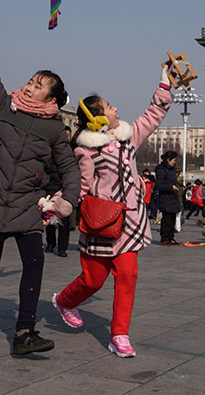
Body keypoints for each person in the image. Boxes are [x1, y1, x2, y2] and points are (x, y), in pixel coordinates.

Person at [0, 7, 80, 356]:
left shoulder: (55, 129)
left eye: (39, 86)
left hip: (28, 205)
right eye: (31, 80)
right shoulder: (3, 105)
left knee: (35, 261)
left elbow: (70, 170)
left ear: (53, 99)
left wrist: (66, 200)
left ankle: (24, 332)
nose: (29, 86)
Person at [52, 64, 173, 358]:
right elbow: (80, 185)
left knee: (128, 274)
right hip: (101, 224)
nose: (116, 107)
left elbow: (152, 116)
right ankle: (64, 301)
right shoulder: (86, 151)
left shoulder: (128, 139)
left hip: (129, 222)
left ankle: (119, 334)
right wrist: (57, 205)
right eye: (109, 106)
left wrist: (164, 85)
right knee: (93, 280)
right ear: (97, 119)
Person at [155, 151, 181, 245]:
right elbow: (159, 184)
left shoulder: (173, 170)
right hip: (165, 198)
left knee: (172, 219)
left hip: (173, 197)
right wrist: (170, 187)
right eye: (173, 160)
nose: (174, 162)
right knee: (166, 219)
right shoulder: (161, 169)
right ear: (168, 160)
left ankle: (171, 237)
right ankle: (165, 238)